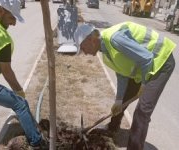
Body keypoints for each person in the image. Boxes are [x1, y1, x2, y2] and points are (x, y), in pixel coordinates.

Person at [74, 22, 176, 150]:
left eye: (83, 48)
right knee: (124, 98)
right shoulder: (106, 54)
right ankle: (112, 128)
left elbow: (147, 58)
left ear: (91, 40)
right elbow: (122, 75)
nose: (84, 52)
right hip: (143, 66)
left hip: (160, 61)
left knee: (142, 112)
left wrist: (144, 84)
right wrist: (118, 100)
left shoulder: (115, 39)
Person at [0, 0, 48, 149]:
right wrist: (18, 91)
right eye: (12, 18)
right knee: (20, 104)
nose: (14, 23)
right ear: (2, 10)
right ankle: (37, 143)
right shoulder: (2, 39)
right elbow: (7, 71)